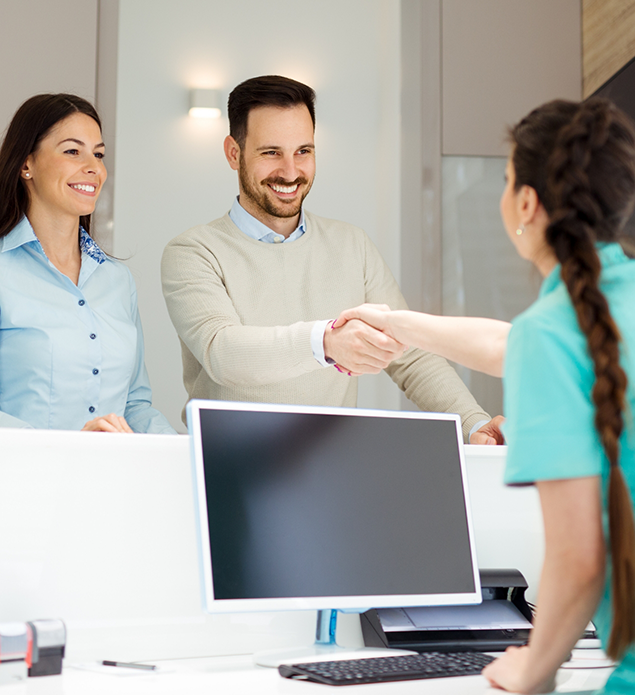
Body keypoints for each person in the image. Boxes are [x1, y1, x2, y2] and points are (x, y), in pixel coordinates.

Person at [335, 97, 635, 694]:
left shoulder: (553, 334)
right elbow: (508, 344)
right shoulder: (588, 317)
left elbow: (579, 558)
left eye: (504, 180)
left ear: (526, 202)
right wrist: (398, 323)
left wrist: (534, 665)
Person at [161, 75, 502, 443]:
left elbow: (410, 354)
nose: (290, 172)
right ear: (233, 153)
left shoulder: (352, 245)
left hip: (330, 465)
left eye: (303, 151)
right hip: (227, 466)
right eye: (271, 152)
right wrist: (324, 342)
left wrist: (473, 422)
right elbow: (223, 352)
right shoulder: (194, 251)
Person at [0, 93, 174, 434]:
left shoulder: (118, 281)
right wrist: (68, 449)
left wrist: (180, 451)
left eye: (98, 154)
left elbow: (135, 405)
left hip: (110, 481)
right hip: (20, 482)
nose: (94, 168)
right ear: (26, 164)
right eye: (72, 151)